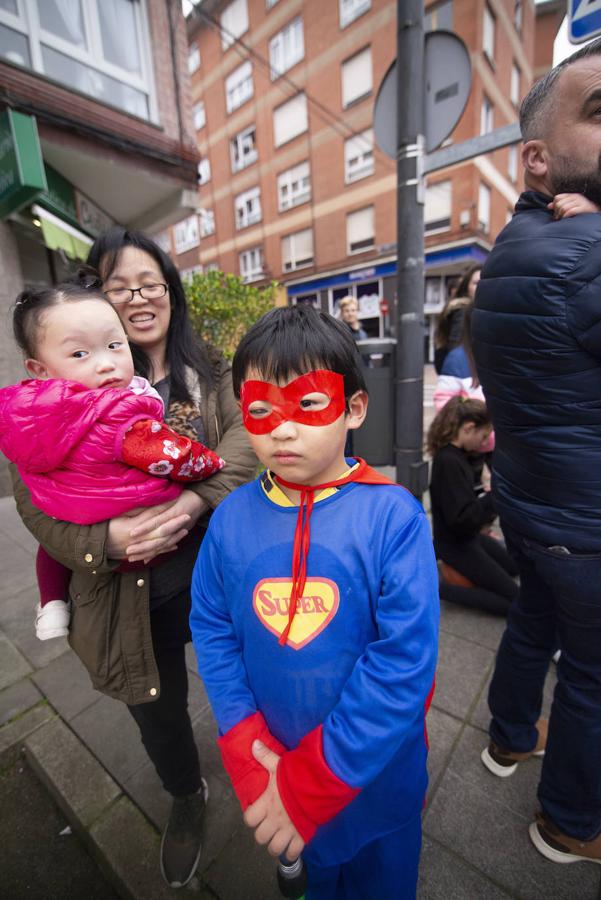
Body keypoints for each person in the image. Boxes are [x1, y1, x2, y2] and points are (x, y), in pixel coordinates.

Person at [9, 228, 257, 888]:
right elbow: (32, 501)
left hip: (212, 580)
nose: (138, 296)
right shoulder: (61, 393)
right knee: (158, 711)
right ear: (98, 295)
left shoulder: (210, 375)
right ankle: (185, 795)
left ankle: (273, 783)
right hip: (122, 599)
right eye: (120, 285)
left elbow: (243, 447)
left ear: (171, 291)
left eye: (151, 282)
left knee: (249, 686)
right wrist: (103, 542)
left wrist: (192, 503)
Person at [189, 305, 439, 900]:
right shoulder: (228, 523)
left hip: (377, 781)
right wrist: (248, 747)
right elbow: (214, 629)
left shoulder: (394, 517)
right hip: (275, 771)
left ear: (354, 407)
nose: (281, 428)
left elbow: (404, 664)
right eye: (259, 409)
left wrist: (318, 777)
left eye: (306, 404)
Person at [472, 39, 601, 865]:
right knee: (592, 675)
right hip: (586, 521)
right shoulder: (588, 252)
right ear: (536, 159)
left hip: (528, 501)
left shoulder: (510, 252)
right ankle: (568, 823)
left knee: (532, 619)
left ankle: (506, 738)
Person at [0, 276, 224, 641]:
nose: (106, 364)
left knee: (49, 549)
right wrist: (209, 463)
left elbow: (30, 479)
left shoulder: (24, 416)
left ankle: (51, 603)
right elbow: (171, 456)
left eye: (114, 345)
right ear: (40, 369)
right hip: (146, 534)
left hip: (74, 519)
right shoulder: (118, 414)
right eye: (80, 354)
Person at [427, 397, 518, 616]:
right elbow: (461, 519)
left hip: (468, 537)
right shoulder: (449, 462)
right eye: (483, 436)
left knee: (514, 567)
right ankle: (440, 590)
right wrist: (496, 496)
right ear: (469, 428)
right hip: (456, 544)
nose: (484, 442)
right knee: (516, 603)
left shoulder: (457, 456)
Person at [434, 265, 481, 374]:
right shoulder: (462, 310)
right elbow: (456, 346)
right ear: (466, 287)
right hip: (464, 376)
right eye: (476, 283)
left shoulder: (480, 309)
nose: (481, 286)